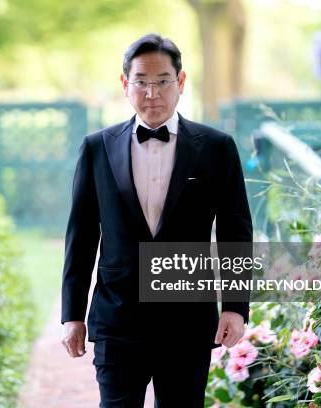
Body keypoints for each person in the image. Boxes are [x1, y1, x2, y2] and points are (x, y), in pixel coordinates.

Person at [60, 33, 252, 407]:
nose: (152, 93)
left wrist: (235, 305)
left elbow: (235, 231)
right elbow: (81, 236)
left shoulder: (217, 148)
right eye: (141, 82)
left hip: (187, 321)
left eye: (163, 81)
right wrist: (72, 315)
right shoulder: (97, 148)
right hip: (117, 317)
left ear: (180, 82)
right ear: (124, 84)